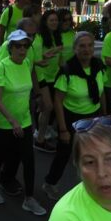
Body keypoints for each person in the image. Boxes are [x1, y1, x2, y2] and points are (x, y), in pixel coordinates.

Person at [0, 29, 48, 216]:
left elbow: (26, 89)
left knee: (28, 159)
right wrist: (12, 121)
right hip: (4, 122)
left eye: (26, 46)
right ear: (10, 47)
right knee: (1, 155)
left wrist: (37, 99)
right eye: (18, 46)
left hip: (25, 120)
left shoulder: (27, 63)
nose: (23, 49)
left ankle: (29, 198)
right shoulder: (2, 67)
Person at [41, 31, 106, 201]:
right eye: (82, 46)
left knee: (91, 155)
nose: (87, 49)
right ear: (75, 48)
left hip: (93, 118)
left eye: (90, 45)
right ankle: (50, 182)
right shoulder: (67, 70)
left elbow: (102, 92)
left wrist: (104, 116)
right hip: (72, 119)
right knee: (64, 155)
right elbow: (58, 101)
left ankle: (90, 188)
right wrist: (63, 129)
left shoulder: (98, 65)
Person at [33, 10, 64, 152]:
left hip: (55, 76)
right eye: (51, 20)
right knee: (48, 108)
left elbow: (58, 59)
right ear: (45, 22)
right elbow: (37, 61)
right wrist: (47, 55)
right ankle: (40, 139)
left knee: (50, 108)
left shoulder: (57, 36)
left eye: (56, 20)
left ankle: (42, 133)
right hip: (42, 76)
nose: (54, 23)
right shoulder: (39, 38)